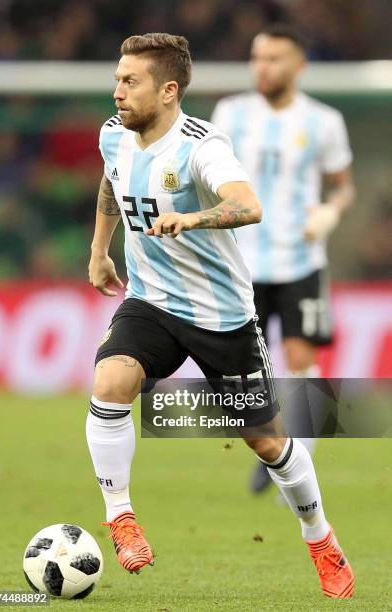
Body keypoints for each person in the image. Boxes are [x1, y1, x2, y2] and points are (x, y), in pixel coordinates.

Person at [86, 32, 354, 598]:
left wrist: (195, 219)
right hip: (152, 300)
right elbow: (111, 185)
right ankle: (121, 518)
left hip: (221, 315)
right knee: (111, 381)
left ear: (168, 90)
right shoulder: (114, 135)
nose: (118, 92)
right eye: (117, 79)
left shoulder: (202, 146)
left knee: (269, 443)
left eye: (130, 82)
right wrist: (99, 251)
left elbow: (246, 204)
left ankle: (320, 536)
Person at [211, 23, 355, 493]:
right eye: (257, 58)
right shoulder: (229, 114)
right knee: (246, 366)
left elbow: (343, 184)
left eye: (273, 58)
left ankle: (297, 465)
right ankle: (272, 444)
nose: (263, 67)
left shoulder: (323, 121)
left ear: (298, 65)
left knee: (301, 359)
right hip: (241, 260)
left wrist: (331, 212)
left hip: (300, 258)